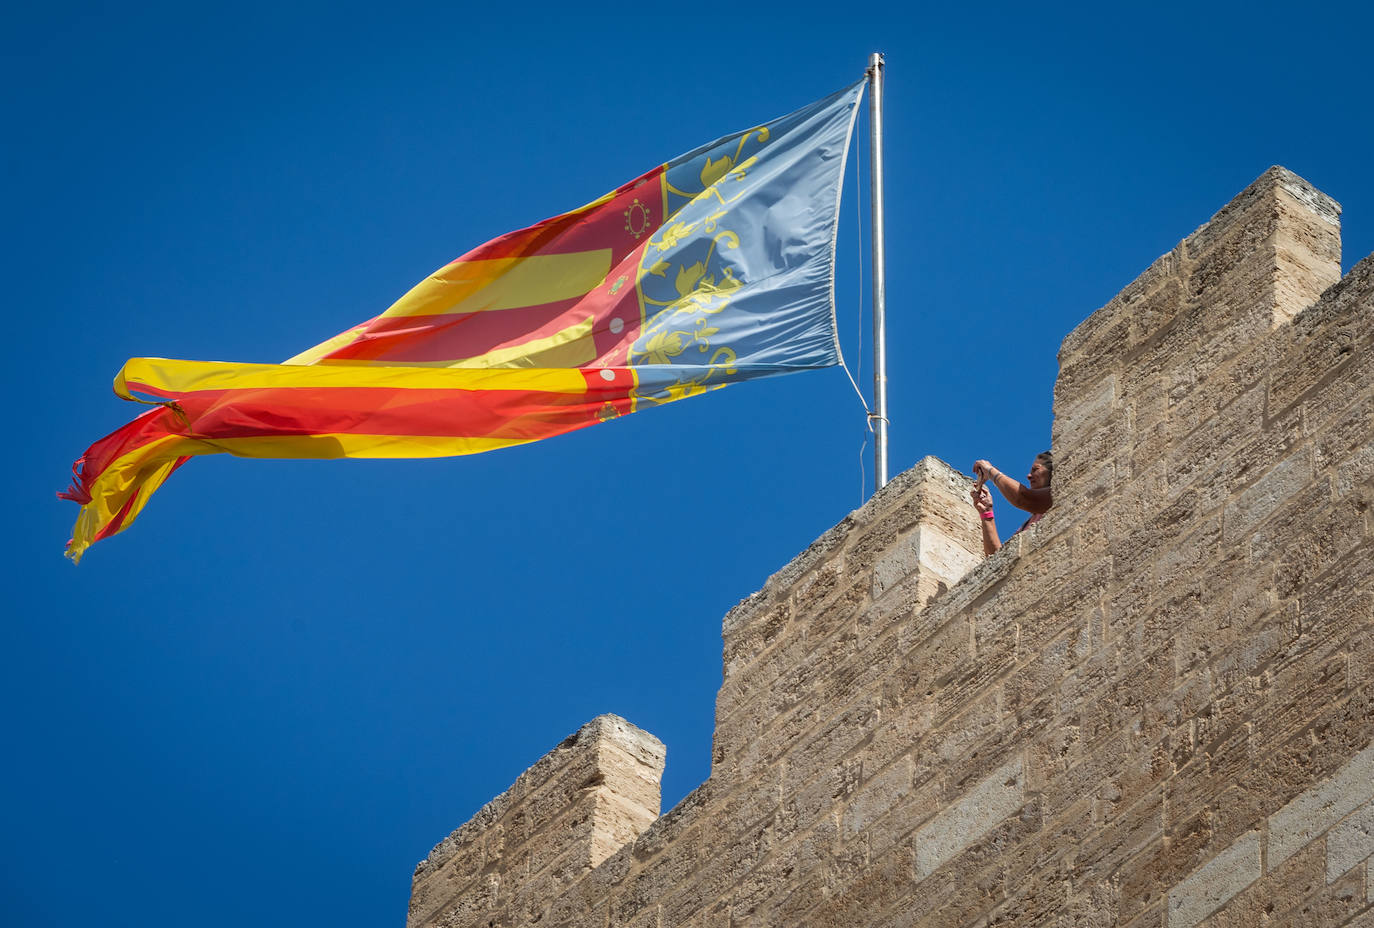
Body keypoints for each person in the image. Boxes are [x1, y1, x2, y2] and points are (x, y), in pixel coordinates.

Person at [970, 451, 1053, 556]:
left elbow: (1023, 497)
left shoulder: (1059, 496)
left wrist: (989, 471)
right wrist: (986, 513)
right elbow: (997, 560)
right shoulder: (1026, 525)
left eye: (1035, 469)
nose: (1028, 476)